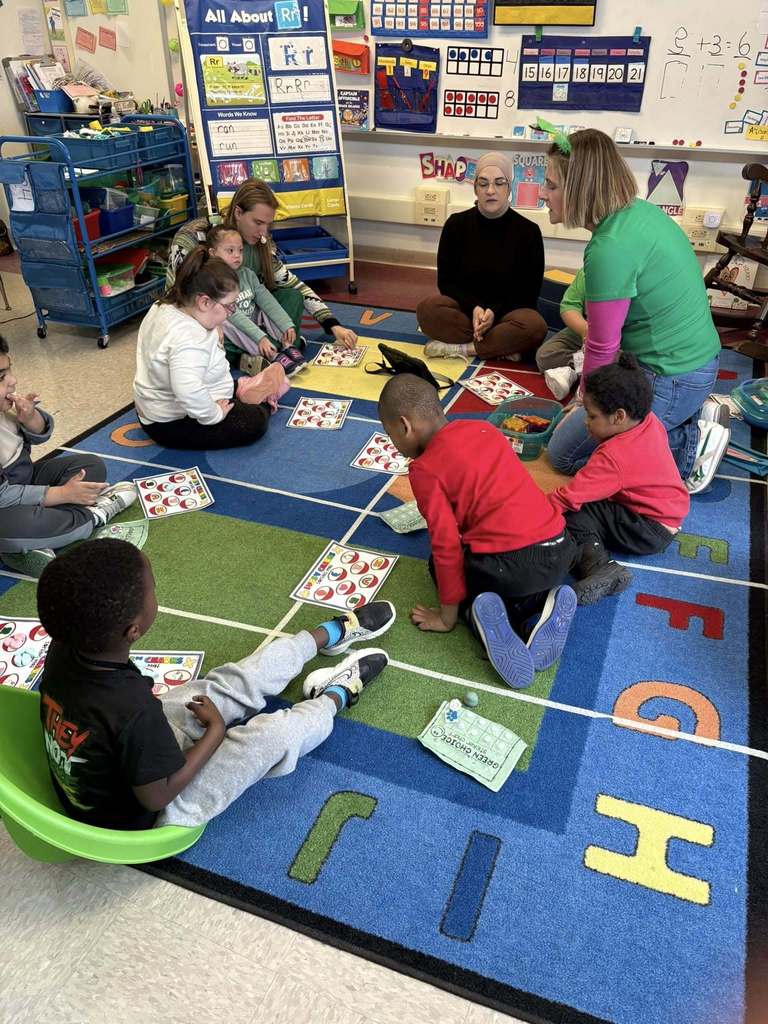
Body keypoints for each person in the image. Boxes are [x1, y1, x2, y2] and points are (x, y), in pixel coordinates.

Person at [36, 539, 396, 830]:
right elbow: (156, 796)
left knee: (227, 685)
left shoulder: (68, 643)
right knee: (272, 739)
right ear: (133, 630)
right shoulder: (133, 709)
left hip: (123, 754)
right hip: (154, 811)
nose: (156, 594)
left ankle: (329, 635)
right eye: (153, 590)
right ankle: (335, 695)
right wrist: (216, 732)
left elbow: (126, 720)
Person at [539, 126, 729, 494]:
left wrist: (587, 405)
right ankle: (685, 418)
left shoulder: (610, 247)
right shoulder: (636, 212)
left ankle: (692, 444)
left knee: (566, 457)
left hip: (673, 374)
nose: (544, 194)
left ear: (579, 188)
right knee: (582, 434)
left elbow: (601, 346)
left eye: (551, 185)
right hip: (683, 361)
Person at [378, 373, 577, 690]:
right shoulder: (484, 428)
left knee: (442, 566)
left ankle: (479, 616)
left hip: (512, 564)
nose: (395, 444)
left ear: (405, 426)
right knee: (518, 566)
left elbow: (446, 546)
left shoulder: (424, 469)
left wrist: (446, 617)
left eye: (391, 436)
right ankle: (543, 604)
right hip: (560, 547)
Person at [549, 354, 690, 605]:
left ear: (619, 416)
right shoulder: (648, 420)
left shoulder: (613, 459)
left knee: (573, 514)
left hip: (646, 530)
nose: (586, 422)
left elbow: (569, 498)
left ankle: (599, 566)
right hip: (666, 515)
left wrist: (531, 509)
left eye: (592, 416)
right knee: (592, 506)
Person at [0, 335, 136, 577]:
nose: (13, 380)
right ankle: (94, 515)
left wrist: (31, 419)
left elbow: (36, 437)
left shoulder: (3, 409)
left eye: (10, 370)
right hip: (5, 504)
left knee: (90, 465)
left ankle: (30, 543)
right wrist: (60, 494)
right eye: (2, 377)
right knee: (10, 527)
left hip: (25, 482)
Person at [167, 179, 358, 351]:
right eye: (258, 222)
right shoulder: (193, 236)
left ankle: (267, 348)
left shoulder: (262, 244)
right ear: (238, 212)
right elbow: (181, 301)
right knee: (215, 320)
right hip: (209, 317)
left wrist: (333, 324)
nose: (263, 232)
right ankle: (264, 350)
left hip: (249, 312)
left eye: (268, 224)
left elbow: (291, 283)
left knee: (292, 296)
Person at [134, 247, 276, 450]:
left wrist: (215, 325)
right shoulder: (190, 339)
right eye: (229, 306)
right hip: (171, 423)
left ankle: (240, 388)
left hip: (150, 407)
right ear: (204, 302)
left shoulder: (163, 306)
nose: (230, 312)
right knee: (254, 423)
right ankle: (260, 401)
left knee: (217, 383)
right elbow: (188, 391)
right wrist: (214, 414)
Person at [416, 152, 548, 362]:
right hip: (468, 315)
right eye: (483, 183)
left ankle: (465, 348)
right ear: (475, 188)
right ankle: (501, 347)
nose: (491, 191)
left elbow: (528, 293)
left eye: (499, 183)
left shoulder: (528, 232)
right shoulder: (456, 225)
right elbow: (446, 283)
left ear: (509, 188)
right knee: (428, 310)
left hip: (507, 315)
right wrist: (474, 308)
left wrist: (493, 312)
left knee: (535, 326)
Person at [206, 225, 308, 377]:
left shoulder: (247, 274)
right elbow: (234, 316)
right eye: (230, 250)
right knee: (226, 322)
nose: (237, 255)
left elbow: (268, 301)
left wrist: (286, 325)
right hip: (235, 332)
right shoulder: (212, 280)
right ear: (213, 253)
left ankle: (286, 344)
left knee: (269, 309)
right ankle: (272, 355)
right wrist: (260, 338)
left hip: (256, 325)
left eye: (240, 250)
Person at [535, 267, 586, 400]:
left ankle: (575, 371)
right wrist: (585, 330)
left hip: (618, 336)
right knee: (544, 355)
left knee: (624, 362)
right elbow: (569, 306)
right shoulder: (588, 270)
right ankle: (579, 370)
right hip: (583, 328)